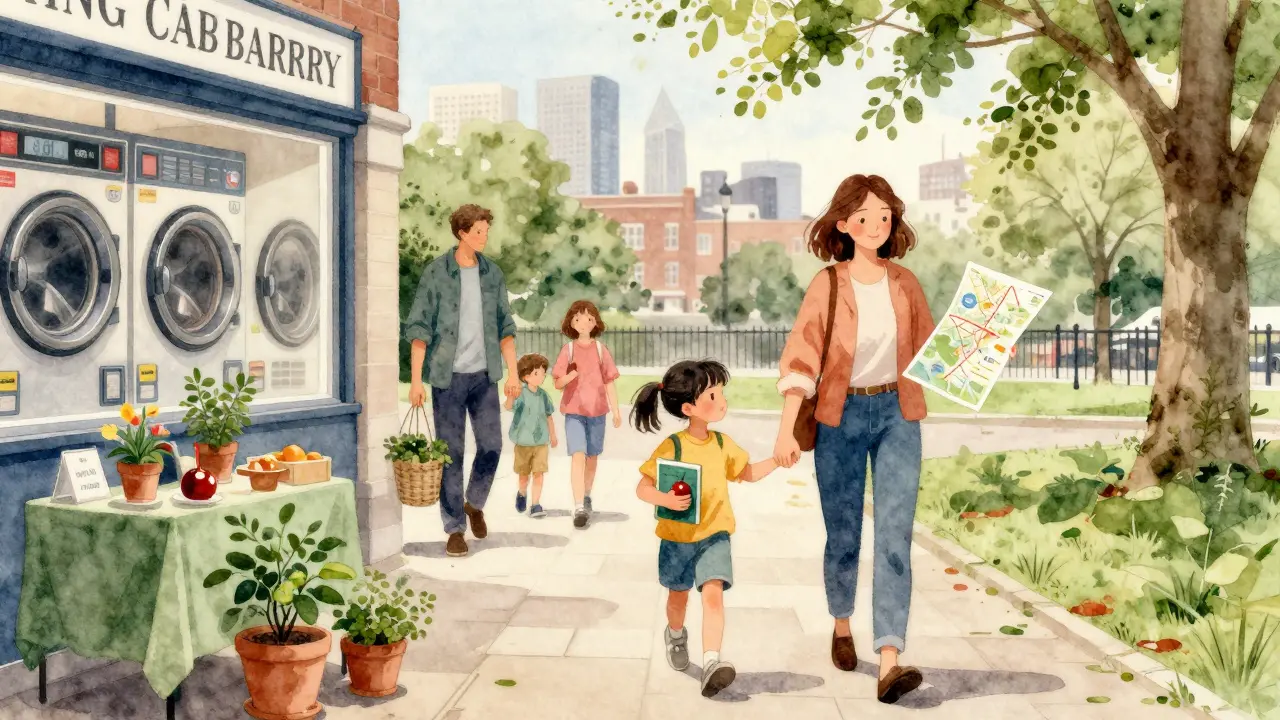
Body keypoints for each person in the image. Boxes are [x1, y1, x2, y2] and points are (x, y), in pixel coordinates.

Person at [771, 175, 936, 705]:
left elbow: (933, 349)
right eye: (864, 217)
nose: (876, 226)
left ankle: (889, 656)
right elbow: (801, 357)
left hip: (897, 415)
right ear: (843, 223)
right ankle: (841, 623)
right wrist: (785, 429)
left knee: (894, 535)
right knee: (843, 535)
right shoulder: (829, 283)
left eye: (884, 217)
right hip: (838, 416)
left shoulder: (906, 283)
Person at [633, 359, 779, 699]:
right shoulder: (674, 447)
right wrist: (665, 499)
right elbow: (642, 489)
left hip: (715, 536)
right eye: (712, 395)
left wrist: (777, 460)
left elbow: (748, 474)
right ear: (688, 408)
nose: (721, 401)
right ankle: (675, 633)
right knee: (678, 598)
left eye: (720, 393)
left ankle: (712, 661)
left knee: (713, 595)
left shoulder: (723, 444)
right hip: (677, 540)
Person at [404, 204, 520, 559]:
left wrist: (513, 372)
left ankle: (474, 503)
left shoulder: (492, 275)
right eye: (479, 231)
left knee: (492, 446)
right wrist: (415, 381)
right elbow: (419, 328)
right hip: (447, 377)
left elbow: (505, 327)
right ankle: (454, 528)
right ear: (462, 233)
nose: (485, 237)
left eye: (487, 230)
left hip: (485, 377)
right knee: (450, 454)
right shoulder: (437, 273)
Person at [551, 300, 621, 529]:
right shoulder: (568, 350)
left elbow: (610, 382)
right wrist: (569, 378)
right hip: (574, 411)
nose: (584, 323)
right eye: (578, 318)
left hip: (598, 411)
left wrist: (616, 411)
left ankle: (587, 493)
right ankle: (579, 504)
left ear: (595, 322)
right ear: (571, 322)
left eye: (589, 319)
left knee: (592, 457)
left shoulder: (601, 350)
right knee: (578, 455)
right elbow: (557, 382)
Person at [504, 353, 557, 518]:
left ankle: (535, 504)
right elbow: (508, 407)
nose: (542, 376)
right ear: (526, 376)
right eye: (537, 373)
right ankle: (522, 493)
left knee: (539, 473)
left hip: (541, 442)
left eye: (543, 372)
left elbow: (549, 415)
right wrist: (511, 396)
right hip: (522, 442)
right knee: (523, 476)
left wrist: (553, 435)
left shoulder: (543, 396)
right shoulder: (521, 393)